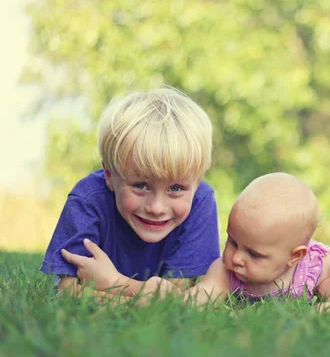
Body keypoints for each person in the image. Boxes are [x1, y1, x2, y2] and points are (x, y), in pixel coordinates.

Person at [84, 172, 330, 307]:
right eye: (232, 241)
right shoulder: (225, 270)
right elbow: (201, 300)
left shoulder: (316, 267)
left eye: (253, 253)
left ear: (294, 256)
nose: (237, 257)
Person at [40, 87, 220, 300]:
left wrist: (113, 282)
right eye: (141, 185)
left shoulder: (201, 200)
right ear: (109, 175)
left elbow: (174, 294)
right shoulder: (88, 199)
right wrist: (143, 299)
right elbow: (68, 289)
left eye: (175, 189)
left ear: (197, 182)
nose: (157, 208)